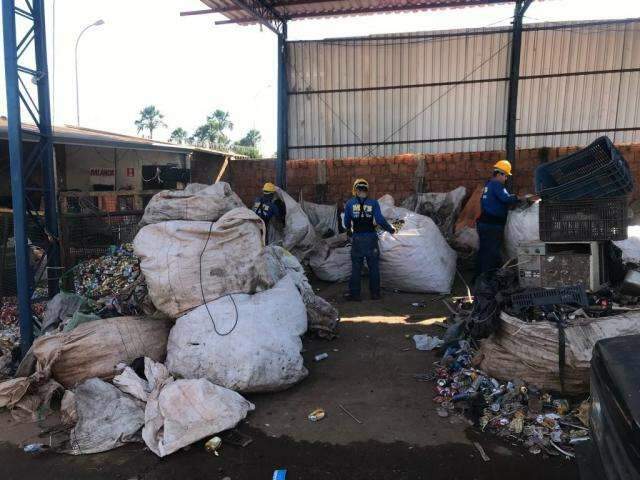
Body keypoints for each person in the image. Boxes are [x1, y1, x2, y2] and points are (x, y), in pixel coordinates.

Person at [343, 178, 396, 301]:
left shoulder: (350, 204)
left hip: (357, 239)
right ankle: (375, 294)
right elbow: (380, 220)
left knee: (356, 267)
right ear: (367, 190)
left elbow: (346, 222)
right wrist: (390, 229)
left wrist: (349, 231)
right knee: (374, 267)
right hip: (371, 239)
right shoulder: (373, 203)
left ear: (356, 190)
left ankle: (355, 295)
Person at [476, 160, 521, 278]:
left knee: (483, 251)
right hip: (492, 225)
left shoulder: (488, 185)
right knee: (492, 253)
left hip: (484, 222)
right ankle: (488, 279)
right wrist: (517, 198)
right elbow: (505, 198)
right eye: (505, 175)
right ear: (499, 174)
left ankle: (478, 278)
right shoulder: (497, 185)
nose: (506, 178)